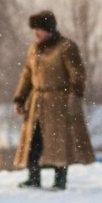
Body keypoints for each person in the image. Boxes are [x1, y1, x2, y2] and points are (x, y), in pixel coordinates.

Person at [12, 10, 94, 190]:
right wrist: (20, 99)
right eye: (34, 30)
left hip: (59, 101)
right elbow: (27, 75)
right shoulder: (34, 49)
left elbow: (77, 74)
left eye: (39, 29)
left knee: (59, 142)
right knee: (34, 140)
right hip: (37, 101)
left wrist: (74, 96)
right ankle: (33, 177)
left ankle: (60, 179)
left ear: (49, 29)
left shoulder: (65, 47)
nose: (36, 33)